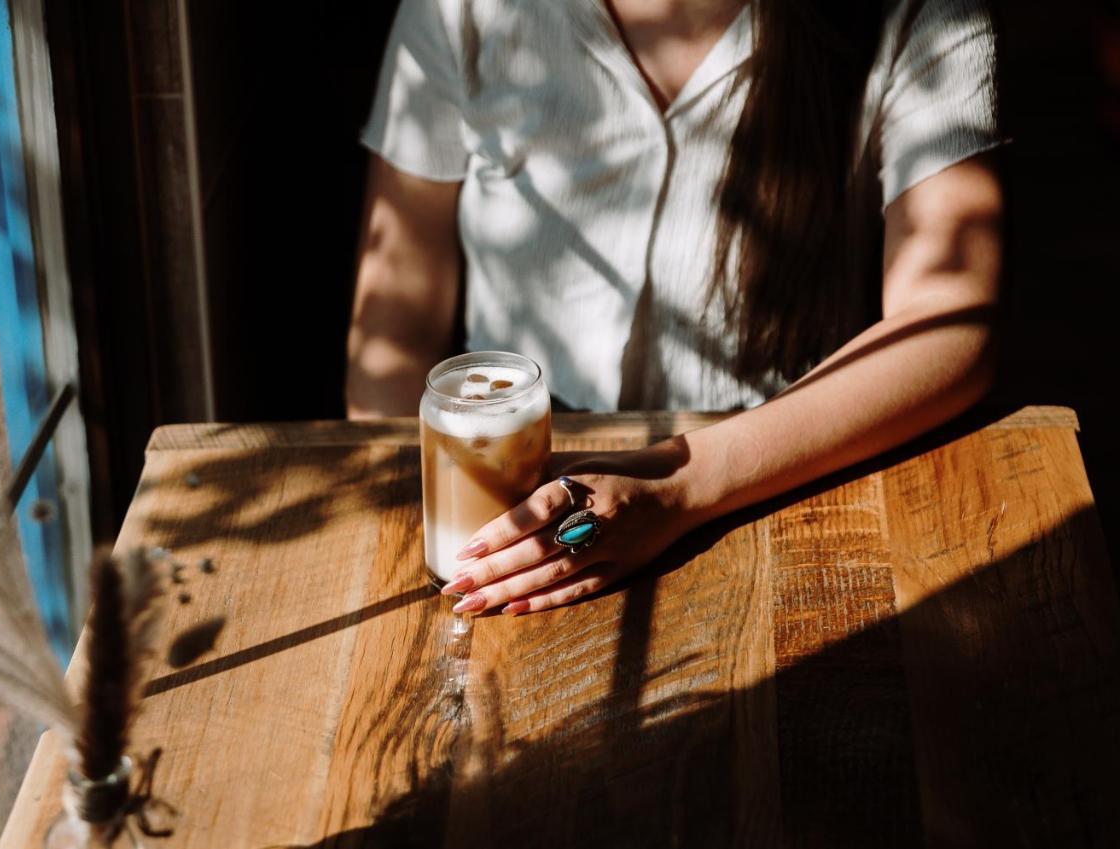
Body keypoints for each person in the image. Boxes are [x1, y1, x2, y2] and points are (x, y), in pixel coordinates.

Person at [345, 0, 1004, 615]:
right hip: (516, 531)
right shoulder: (459, 11)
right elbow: (394, 336)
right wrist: (451, 543)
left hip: (783, 504)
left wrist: (679, 485)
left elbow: (951, 322)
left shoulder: (917, 15)